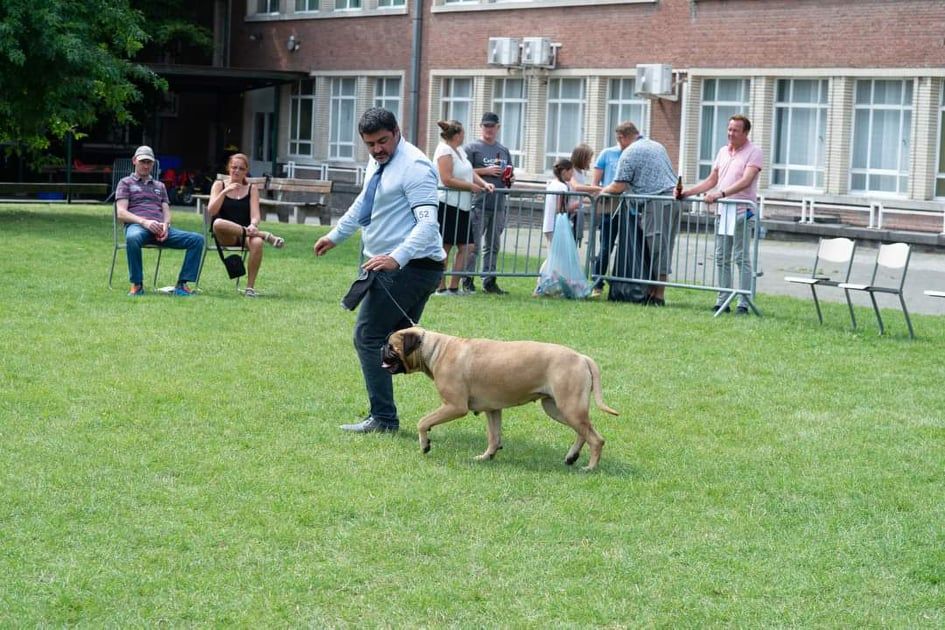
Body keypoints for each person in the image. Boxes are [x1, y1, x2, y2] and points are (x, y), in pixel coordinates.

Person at [313, 107, 445, 434]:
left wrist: (396, 258)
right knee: (399, 342)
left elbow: (428, 224)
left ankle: (384, 419)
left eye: (383, 141)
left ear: (397, 131)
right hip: (399, 266)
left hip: (410, 268)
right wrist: (335, 235)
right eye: (370, 144)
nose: (377, 150)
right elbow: (364, 203)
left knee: (368, 336)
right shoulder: (379, 161)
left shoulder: (416, 167)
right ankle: (470, 388)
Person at [678, 114, 762, 315]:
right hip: (723, 212)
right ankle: (723, 299)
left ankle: (743, 301)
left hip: (742, 211)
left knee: (741, 257)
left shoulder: (754, 152)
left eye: (735, 130)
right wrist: (686, 193)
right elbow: (711, 180)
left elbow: (746, 180)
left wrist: (721, 194)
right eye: (729, 129)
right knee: (721, 256)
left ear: (745, 132)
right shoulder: (723, 151)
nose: (731, 133)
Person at [600, 122, 678, 306]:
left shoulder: (630, 152)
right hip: (672, 200)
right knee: (662, 246)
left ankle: (658, 295)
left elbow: (619, 185)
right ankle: (652, 291)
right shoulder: (656, 145)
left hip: (656, 202)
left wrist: (601, 193)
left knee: (657, 247)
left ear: (621, 137)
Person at [115, 145, 204, 296]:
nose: (146, 165)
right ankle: (137, 285)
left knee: (197, 239)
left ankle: (182, 285)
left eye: (149, 162)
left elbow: (166, 211)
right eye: (143, 161)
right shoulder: (125, 183)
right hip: (138, 227)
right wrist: (145, 222)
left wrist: (166, 226)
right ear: (134, 161)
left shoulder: (160, 186)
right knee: (132, 237)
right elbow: (121, 213)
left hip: (161, 229)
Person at [206, 153, 285, 297]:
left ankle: (250, 288)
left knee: (257, 242)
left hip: (246, 234)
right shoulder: (219, 185)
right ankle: (266, 235)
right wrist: (225, 192)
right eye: (234, 167)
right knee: (217, 223)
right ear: (228, 168)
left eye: (241, 169)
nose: (237, 171)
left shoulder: (251, 189)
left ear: (246, 171)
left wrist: (254, 225)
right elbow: (211, 210)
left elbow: (255, 216)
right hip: (225, 234)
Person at [431, 120, 494, 296]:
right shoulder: (444, 151)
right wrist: (470, 187)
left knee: (468, 246)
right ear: (457, 134)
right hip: (448, 205)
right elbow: (447, 179)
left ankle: (453, 286)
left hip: (463, 207)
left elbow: (470, 172)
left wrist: (483, 183)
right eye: (463, 133)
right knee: (445, 246)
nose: (464, 136)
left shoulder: (459, 151)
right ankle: (440, 287)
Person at [464, 112, 514, 295]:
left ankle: (489, 280)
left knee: (493, 245)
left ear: (498, 128)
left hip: (499, 203)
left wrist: (510, 178)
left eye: (492, 126)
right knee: (473, 245)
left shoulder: (504, 150)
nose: (489, 130)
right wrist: (486, 170)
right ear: (480, 127)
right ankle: (467, 278)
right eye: (486, 126)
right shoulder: (472, 148)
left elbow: (509, 173)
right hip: (478, 203)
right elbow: (463, 171)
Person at [590, 122, 636, 298]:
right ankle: (597, 283)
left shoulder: (633, 154)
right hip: (610, 206)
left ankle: (621, 286)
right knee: (606, 246)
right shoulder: (607, 154)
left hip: (629, 207)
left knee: (628, 247)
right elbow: (595, 182)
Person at [543, 158, 581, 244]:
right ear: (564, 172)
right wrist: (576, 205)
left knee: (553, 253)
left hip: (548, 224)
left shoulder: (552, 184)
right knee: (559, 254)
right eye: (571, 172)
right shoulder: (562, 187)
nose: (572, 175)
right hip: (557, 225)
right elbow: (560, 208)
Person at [568, 143, 601, 244]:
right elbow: (576, 187)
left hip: (577, 210)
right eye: (588, 159)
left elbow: (582, 191)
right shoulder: (571, 170)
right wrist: (597, 188)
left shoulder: (581, 173)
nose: (590, 161)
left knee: (575, 239)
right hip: (569, 210)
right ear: (581, 158)